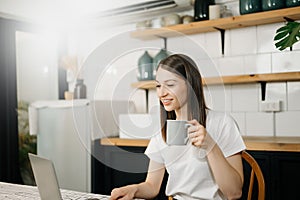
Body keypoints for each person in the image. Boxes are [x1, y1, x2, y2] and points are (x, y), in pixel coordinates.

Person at [110, 54, 246, 200]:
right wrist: (134, 189)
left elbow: (234, 193)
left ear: (190, 85)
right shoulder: (163, 130)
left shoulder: (222, 123)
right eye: (158, 85)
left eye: (170, 84)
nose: (162, 93)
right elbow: (152, 186)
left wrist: (210, 146)